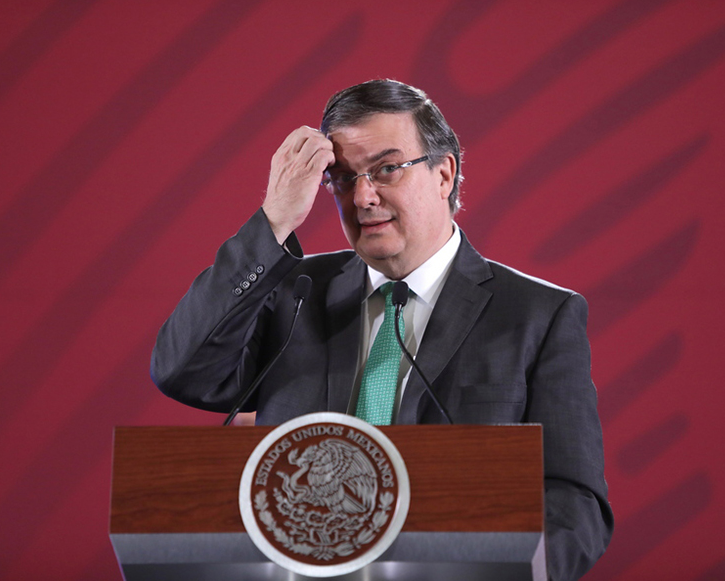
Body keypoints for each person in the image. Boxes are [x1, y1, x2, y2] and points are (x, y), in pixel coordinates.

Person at [151, 79, 613, 580]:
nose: (363, 197)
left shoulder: (538, 314)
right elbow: (184, 372)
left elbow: (574, 506)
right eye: (343, 178)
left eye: (387, 169)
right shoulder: (293, 293)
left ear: (444, 174)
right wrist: (274, 220)